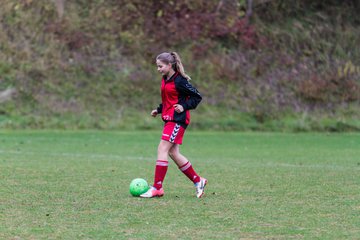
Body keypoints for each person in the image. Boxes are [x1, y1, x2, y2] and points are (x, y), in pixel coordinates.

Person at [140, 52, 207, 198]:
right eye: (157, 66)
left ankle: (158, 187)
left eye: (161, 66)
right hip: (169, 118)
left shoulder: (180, 81)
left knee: (162, 148)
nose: (158, 69)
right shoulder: (165, 79)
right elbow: (168, 100)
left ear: (170, 65)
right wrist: (158, 110)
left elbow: (197, 97)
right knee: (173, 152)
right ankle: (198, 180)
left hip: (178, 120)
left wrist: (183, 106)